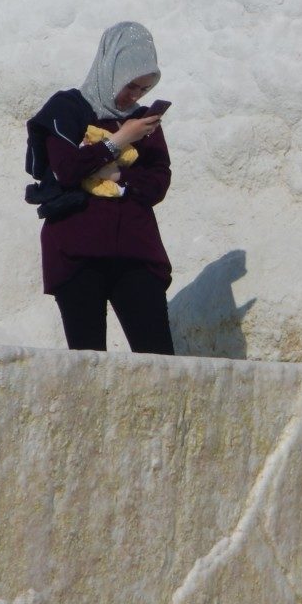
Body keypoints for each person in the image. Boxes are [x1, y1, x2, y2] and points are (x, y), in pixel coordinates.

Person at [27, 21, 175, 355]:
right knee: (88, 364)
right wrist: (119, 141)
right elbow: (65, 170)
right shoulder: (66, 110)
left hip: (135, 253)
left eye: (143, 90)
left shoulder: (142, 122)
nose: (134, 96)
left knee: (159, 361)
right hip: (77, 253)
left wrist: (118, 177)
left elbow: (158, 181)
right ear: (111, 70)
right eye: (131, 86)